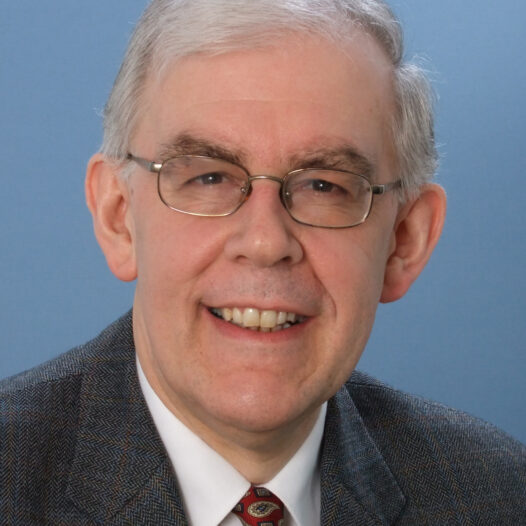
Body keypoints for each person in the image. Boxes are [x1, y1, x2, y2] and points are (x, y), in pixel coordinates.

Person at [1, 0, 525, 524]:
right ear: (119, 217)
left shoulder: (498, 495)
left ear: (405, 240)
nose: (265, 241)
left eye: (324, 186)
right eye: (208, 177)